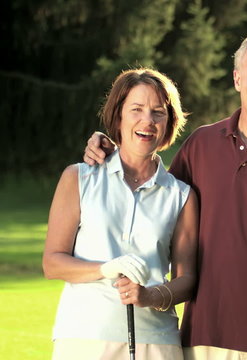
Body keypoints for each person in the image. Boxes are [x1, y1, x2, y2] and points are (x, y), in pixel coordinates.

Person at [83, 31, 247, 360]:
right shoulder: (201, 144)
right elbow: (152, 199)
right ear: (237, 78)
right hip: (206, 332)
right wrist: (111, 146)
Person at [43, 68, 199, 359]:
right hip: (83, 336)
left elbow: (186, 279)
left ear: (169, 122)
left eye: (158, 112)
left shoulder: (182, 195)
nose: (147, 121)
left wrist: (150, 296)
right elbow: (52, 263)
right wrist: (105, 268)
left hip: (156, 341)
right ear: (119, 116)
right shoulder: (79, 177)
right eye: (136, 109)